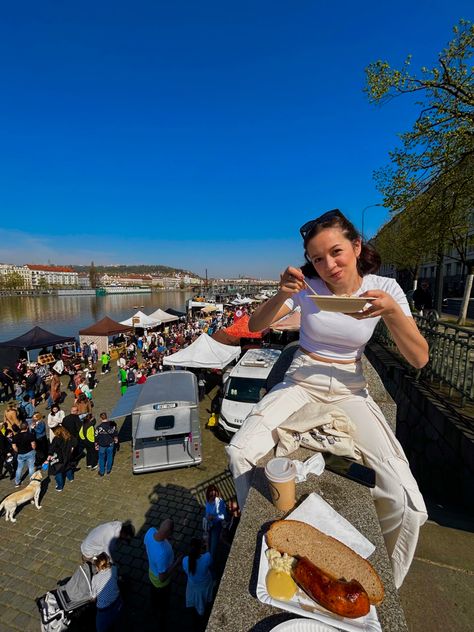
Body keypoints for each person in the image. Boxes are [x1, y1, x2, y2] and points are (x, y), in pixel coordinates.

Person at [226, 209, 429, 588]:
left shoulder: (385, 289)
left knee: (409, 504)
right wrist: (281, 294)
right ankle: (262, 533)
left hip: (353, 389)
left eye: (336, 252)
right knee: (239, 450)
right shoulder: (308, 287)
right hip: (301, 381)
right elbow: (255, 326)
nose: (329, 264)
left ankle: (380, 580)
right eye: (318, 258)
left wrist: (391, 313)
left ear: (356, 246)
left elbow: (419, 357)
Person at [144, 518, 182, 631]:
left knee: (153, 596)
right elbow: (162, 577)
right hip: (162, 584)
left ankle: (154, 608)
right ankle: (161, 623)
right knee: (163, 605)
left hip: (151, 573)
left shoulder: (150, 531)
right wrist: (176, 563)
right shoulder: (163, 553)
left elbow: (146, 546)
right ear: (169, 533)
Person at [182, 538, 214, 623]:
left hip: (193, 586)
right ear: (200, 549)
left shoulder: (185, 560)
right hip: (205, 585)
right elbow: (209, 557)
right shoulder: (206, 558)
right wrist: (207, 545)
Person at [91, 552, 122, 632]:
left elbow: (93, 597)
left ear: (97, 568)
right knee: (117, 620)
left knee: (100, 628)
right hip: (117, 601)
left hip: (103, 609)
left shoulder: (95, 578)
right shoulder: (114, 569)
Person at [47, 425, 77, 491]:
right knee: (67, 466)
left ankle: (60, 486)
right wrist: (72, 448)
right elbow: (75, 442)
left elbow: (52, 448)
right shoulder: (69, 436)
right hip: (68, 455)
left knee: (58, 471)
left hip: (60, 457)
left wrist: (49, 455)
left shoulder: (56, 439)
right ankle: (71, 478)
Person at [204, 485, 228, 564]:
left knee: (212, 547)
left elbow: (224, 516)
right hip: (209, 524)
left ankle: (211, 562)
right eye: (211, 495)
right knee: (207, 540)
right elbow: (206, 512)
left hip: (217, 525)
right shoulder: (208, 502)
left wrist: (214, 517)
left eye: (215, 495)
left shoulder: (220, 502)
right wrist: (207, 517)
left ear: (217, 494)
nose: (213, 497)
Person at [11, 421, 36, 487]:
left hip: (20, 454)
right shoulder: (30, 435)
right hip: (30, 452)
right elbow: (33, 445)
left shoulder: (16, 436)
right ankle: (32, 481)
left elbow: (14, 446)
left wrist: (18, 451)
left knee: (19, 468)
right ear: (27, 427)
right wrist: (33, 449)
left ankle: (17, 482)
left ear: (20, 427)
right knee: (31, 467)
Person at [95, 412, 118, 477]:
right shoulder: (112, 425)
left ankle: (102, 471)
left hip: (102, 445)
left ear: (101, 418)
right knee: (110, 456)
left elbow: (96, 437)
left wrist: (96, 445)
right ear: (106, 417)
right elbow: (115, 433)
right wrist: (116, 439)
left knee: (101, 458)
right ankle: (108, 470)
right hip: (110, 444)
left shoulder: (98, 427)